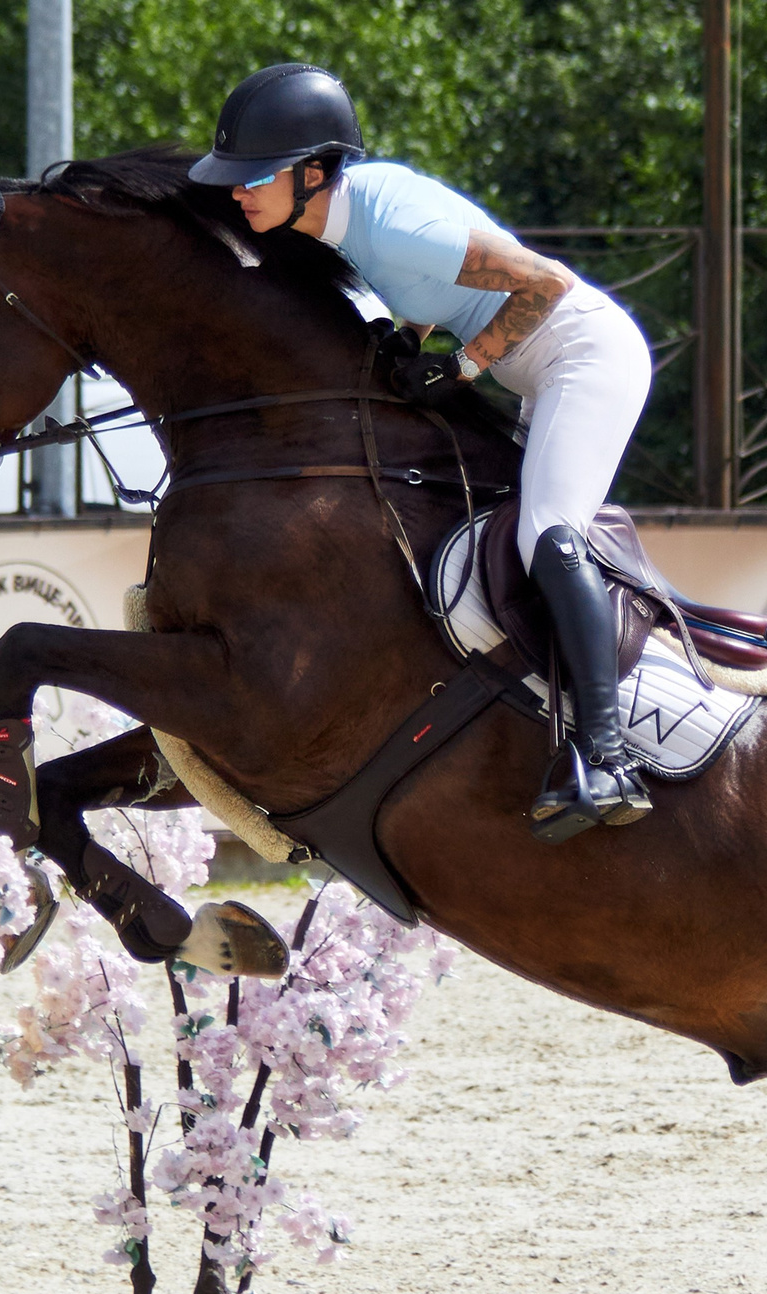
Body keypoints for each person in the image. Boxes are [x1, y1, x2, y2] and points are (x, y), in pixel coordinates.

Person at [188, 62, 657, 842]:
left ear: (313, 174)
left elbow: (546, 284)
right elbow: (432, 288)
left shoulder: (389, 222)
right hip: (536, 365)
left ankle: (610, 759)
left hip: (584, 353)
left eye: (255, 176)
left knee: (547, 535)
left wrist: (463, 366)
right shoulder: (342, 223)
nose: (239, 191)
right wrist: (413, 339)